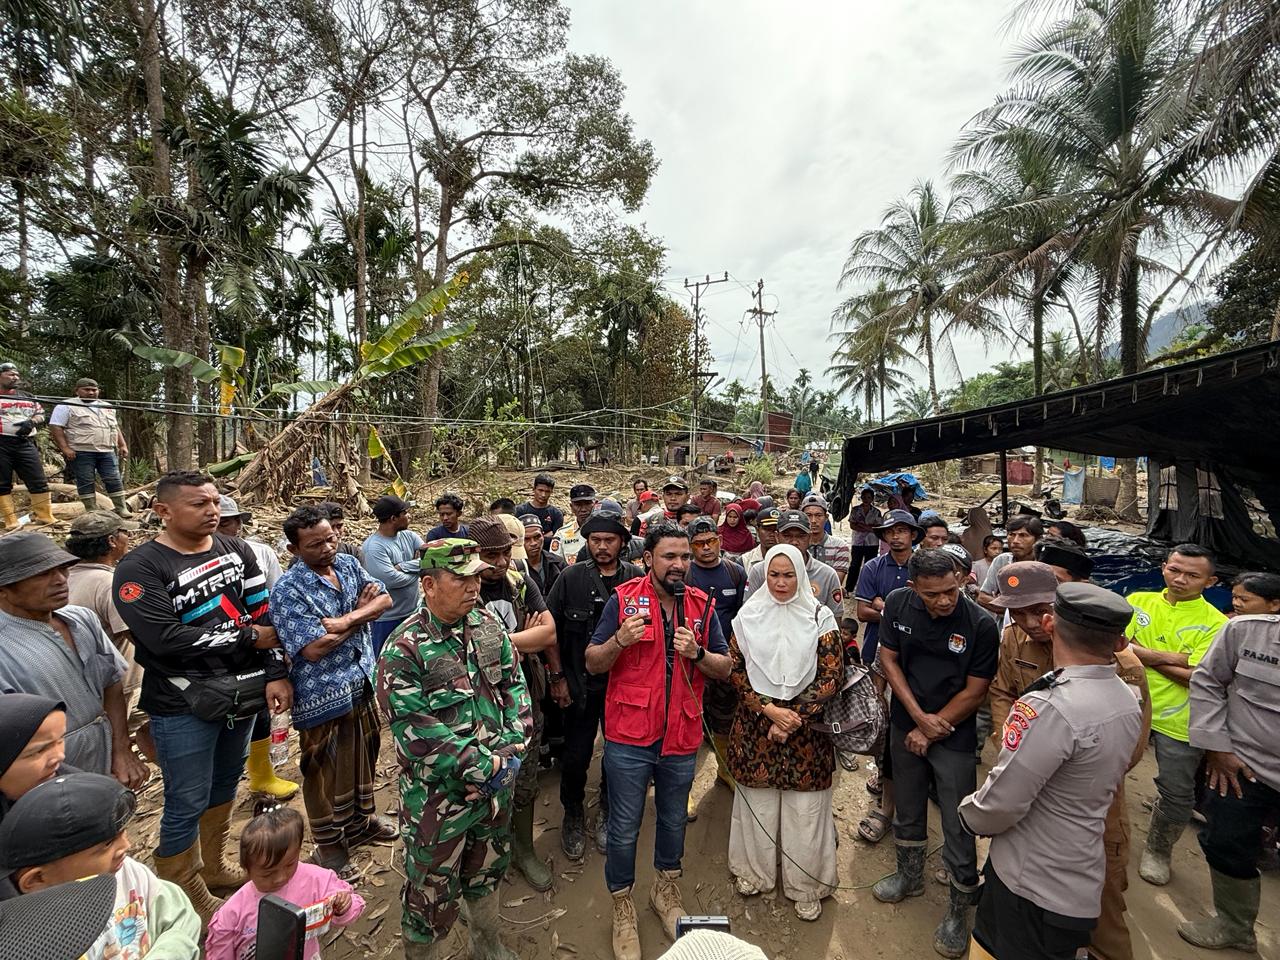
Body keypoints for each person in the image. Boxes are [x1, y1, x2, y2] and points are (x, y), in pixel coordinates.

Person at [111, 470, 291, 920]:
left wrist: (274, 672)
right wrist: (248, 638)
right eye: (199, 503)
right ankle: (184, 888)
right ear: (163, 511)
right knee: (186, 797)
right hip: (182, 702)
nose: (212, 510)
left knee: (226, 781)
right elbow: (163, 638)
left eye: (214, 501)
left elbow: (264, 613)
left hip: (241, 693)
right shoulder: (140, 568)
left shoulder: (236, 550)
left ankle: (213, 865)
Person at [962, 583, 1143, 960]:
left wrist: (969, 814)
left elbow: (1002, 804)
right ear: (1119, 640)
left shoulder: (1050, 706)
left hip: (1030, 880)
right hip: (1079, 875)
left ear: (1049, 623)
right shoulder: (1126, 697)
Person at [376, 538, 531, 960]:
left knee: (487, 871)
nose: (473, 586)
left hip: (495, 790)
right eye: (460, 578)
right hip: (438, 803)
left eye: (476, 577)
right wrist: (487, 767)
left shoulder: (487, 625)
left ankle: (487, 946)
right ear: (428, 584)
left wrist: (512, 747)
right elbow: (417, 732)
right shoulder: (404, 648)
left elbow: (514, 686)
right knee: (430, 896)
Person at [585, 524, 732, 960]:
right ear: (648, 558)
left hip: (681, 736)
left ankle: (665, 891)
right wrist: (619, 640)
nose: (680, 564)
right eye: (670, 556)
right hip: (629, 737)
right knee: (624, 827)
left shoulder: (703, 605)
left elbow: (725, 667)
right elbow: (592, 662)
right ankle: (622, 904)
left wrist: (698, 654)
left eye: (685, 556)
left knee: (672, 820)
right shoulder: (623, 600)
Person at [872, 548, 999, 959]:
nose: (944, 600)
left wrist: (932, 726)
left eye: (950, 590)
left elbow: (976, 691)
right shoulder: (897, 604)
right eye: (932, 594)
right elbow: (889, 659)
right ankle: (909, 877)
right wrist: (916, 718)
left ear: (960, 579)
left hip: (954, 733)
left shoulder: (980, 623)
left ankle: (958, 909)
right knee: (907, 804)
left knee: (957, 819)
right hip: (907, 723)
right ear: (914, 588)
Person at [272, 506, 396, 876]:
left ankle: (360, 824)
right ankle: (328, 845)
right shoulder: (288, 590)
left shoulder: (347, 565)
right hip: (321, 694)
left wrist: (346, 620)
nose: (327, 548)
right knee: (322, 770)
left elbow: (384, 600)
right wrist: (362, 616)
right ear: (294, 549)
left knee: (363, 755)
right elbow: (313, 648)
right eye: (315, 545)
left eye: (331, 538)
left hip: (360, 679)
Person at [727, 544, 842, 920]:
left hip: (806, 734)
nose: (780, 582)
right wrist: (771, 712)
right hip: (756, 728)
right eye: (774, 575)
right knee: (756, 806)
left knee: (804, 812)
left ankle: (806, 884)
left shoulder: (820, 616)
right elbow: (736, 671)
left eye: (788, 575)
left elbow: (830, 677)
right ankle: (754, 873)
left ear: (801, 575)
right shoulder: (748, 616)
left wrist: (793, 718)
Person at [0, 772, 202, 956]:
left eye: (122, 834)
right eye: (107, 844)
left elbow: (180, 917)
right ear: (36, 879)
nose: (126, 846)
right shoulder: (29, 944)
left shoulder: (125, 871)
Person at [0, 533, 140, 786]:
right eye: (43, 575)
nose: (61, 580)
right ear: (4, 590)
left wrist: (121, 750)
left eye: (62, 569)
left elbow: (111, 683)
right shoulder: (5, 646)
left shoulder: (81, 619)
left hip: (103, 756)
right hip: (49, 778)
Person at [546, 502, 644, 861]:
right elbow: (551, 632)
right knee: (575, 756)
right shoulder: (570, 578)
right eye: (595, 540)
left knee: (618, 756)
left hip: (624, 688)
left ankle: (606, 808)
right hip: (579, 685)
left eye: (609, 540)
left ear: (622, 542)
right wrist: (557, 677)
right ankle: (573, 814)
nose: (602, 546)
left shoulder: (636, 579)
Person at [1125, 542, 1228, 886]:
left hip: (1179, 717)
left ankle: (1158, 848)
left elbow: (1198, 676)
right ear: (1164, 567)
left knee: (1176, 792)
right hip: (1128, 704)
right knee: (1104, 771)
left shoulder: (1217, 624)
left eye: (1192, 575)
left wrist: (1140, 653)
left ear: (1210, 582)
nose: (1180, 579)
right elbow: (1115, 645)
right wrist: (1177, 658)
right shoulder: (1137, 601)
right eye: (1174, 570)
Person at [468, 516, 561, 893]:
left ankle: (523, 848)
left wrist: (501, 642)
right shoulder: (461, 588)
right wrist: (521, 636)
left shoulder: (519, 579)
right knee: (479, 784)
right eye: (492, 555)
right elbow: (464, 648)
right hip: (475, 706)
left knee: (524, 779)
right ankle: (484, 858)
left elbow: (548, 632)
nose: (501, 562)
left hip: (522, 698)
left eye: (506, 553)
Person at [1178, 611, 1280, 952]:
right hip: (1243, 768)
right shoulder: (1246, 631)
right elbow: (1207, 681)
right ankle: (1235, 926)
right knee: (1225, 841)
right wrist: (1217, 747)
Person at [206, 801, 366, 960]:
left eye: (290, 864)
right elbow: (219, 952)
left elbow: (349, 905)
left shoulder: (313, 879)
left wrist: (344, 906)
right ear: (247, 870)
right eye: (268, 874)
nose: (280, 877)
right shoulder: (233, 912)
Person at [219, 495, 299, 800]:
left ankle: (262, 776)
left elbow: (275, 599)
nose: (230, 527)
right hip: (219, 650)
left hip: (261, 644)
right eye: (224, 522)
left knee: (261, 711)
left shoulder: (259, 552)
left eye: (233, 521)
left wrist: (279, 650)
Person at [64, 511, 151, 762]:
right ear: (112, 541)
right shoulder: (109, 583)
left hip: (81, 687)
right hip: (120, 689)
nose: (129, 538)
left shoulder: (64, 578)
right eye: (125, 533)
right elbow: (139, 636)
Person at [687, 516, 749, 807]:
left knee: (725, 720)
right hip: (690, 662)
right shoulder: (684, 574)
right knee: (689, 722)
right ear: (690, 546)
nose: (706, 548)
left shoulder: (735, 573)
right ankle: (683, 786)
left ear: (719, 540)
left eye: (711, 541)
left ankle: (724, 771)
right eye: (698, 543)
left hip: (725, 660)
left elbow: (742, 615)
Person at [48, 379, 131, 518]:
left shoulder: (107, 406)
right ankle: (92, 510)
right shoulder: (66, 406)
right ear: (77, 391)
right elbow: (56, 426)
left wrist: (122, 444)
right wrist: (65, 448)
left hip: (106, 450)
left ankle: (121, 508)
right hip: (81, 450)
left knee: (113, 478)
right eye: (87, 390)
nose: (91, 393)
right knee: (85, 480)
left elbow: (115, 427)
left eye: (94, 390)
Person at [745, 510, 843, 621]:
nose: (794, 542)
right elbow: (748, 615)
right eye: (787, 536)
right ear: (777, 537)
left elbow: (835, 622)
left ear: (810, 537)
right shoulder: (759, 571)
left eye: (801, 536)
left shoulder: (827, 575)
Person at [854, 509, 923, 666]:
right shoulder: (872, 567)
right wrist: (905, 618)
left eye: (901, 531)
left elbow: (927, 612)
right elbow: (863, 613)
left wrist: (883, 607)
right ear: (884, 536)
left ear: (913, 535)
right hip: (875, 645)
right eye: (890, 532)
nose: (895, 536)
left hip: (915, 651)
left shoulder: (924, 569)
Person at [362, 494, 425, 655]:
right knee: (386, 658)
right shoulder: (374, 548)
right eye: (405, 513)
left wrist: (403, 566)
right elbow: (391, 580)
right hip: (387, 619)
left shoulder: (410, 536)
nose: (409, 516)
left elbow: (430, 559)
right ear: (393, 518)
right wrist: (418, 572)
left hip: (413, 613)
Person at [0, 362, 54, 529]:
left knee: (38, 480)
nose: (15, 377)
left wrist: (31, 422)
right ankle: (11, 521)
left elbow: (41, 414)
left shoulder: (27, 396)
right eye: (10, 374)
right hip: (2, 443)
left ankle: (45, 517)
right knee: (2, 483)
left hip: (25, 442)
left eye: (17, 375)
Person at [977, 515, 1043, 613]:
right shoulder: (1002, 561)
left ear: (1037, 540)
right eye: (1011, 534)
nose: (1015, 541)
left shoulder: (1045, 565)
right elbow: (982, 598)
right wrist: (1017, 610)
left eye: (1023, 535)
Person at [801, 492, 849, 581]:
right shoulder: (797, 546)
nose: (813, 521)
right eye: (808, 515)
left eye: (818, 515)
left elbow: (835, 582)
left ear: (826, 517)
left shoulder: (840, 546)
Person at [551, 483, 597, 564]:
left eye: (587, 504)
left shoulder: (606, 531)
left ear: (596, 504)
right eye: (578, 505)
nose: (583, 509)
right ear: (571, 507)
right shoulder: (562, 534)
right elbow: (555, 565)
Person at [521, 513, 565, 596]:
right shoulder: (514, 567)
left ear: (543, 535)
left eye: (537, 537)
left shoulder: (557, 563)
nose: (533, 543)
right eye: (527, 539)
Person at [847, 487, 883, 585]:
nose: (866, 499)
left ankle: (868, 586)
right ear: (861, 497)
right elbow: (852, 525)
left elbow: (877, 528)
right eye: (864, 497)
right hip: (857, 542)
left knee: (870, 566)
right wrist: (869, 527)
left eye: (869, 497)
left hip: (872, 543)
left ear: (872, 499)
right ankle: (849, 587)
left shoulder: (876, 512)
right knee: (854, 565)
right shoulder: (855, 510)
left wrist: (861, 525)